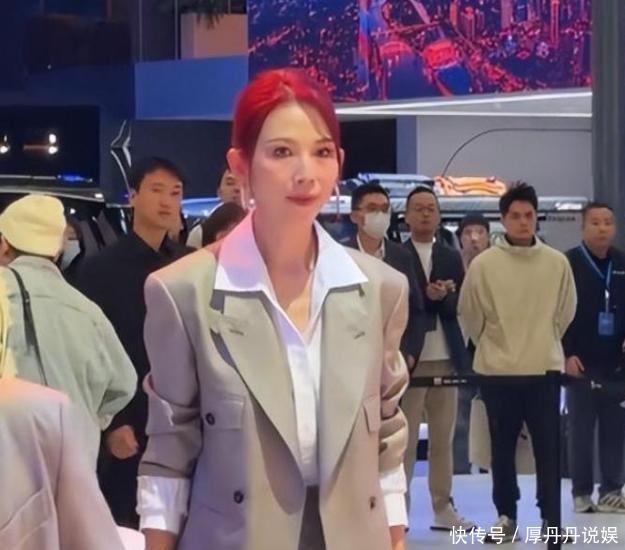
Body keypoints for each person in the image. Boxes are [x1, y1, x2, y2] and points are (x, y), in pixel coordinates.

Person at [137, 68, 410, 550]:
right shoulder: (183, 292)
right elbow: (169, 452)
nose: (306, 172)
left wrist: (395, 539)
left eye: (321, 152)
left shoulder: (380, 289)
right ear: (241, 166)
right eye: (282, 151)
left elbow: (386, 437)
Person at [76, 156, 192, 527]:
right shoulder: (100, 269)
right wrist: (113, 422)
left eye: (175, 193)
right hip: (130, 419)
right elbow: (90, 352)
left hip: (185, 415)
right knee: (126, 523)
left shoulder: (192, 265)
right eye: (156, 190)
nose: (167, 202)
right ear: (133, 196)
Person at [459, 183, 577, 542]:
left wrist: (545, 338)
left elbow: (566, 311)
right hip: (498, 371)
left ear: (536, 217)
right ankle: (506, 516)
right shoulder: (484, 265)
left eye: (529, 215)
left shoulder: (556, 262)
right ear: (503, 219)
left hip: (543, 370)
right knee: (501, 450)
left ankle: (551, 521)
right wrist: (493, 342)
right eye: (515, 216)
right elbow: (470, 314)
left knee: (548, 451)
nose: (523, 222)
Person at [0, 194, 136, 467]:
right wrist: (87, 418)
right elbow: (123, 384)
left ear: (4, 244)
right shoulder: (87, 311)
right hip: (72, 468)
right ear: (59, 248)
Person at [401, 185, 474, 531]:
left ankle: (443, 506)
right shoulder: (396, 255)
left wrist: (443, 297)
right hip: (409, 359)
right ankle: (398, 509)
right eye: (418, 208)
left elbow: (461, 303)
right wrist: (423, 296)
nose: (425, 213)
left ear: (439, 215)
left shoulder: (450, 256)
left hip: (446, 355)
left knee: (443, 439)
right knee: (404, 442)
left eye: (431, 208)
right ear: (406, 216)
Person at [562, 202, 625, 513]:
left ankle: (612, 489)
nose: (603, 228)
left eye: (608, 222)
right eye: (596, 222)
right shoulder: (568, 263)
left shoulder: (621, 262)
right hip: (580, 361)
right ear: (583, 228)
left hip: (616, 362)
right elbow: (557, 313)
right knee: (581, 430)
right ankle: (581, 491)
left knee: (615, 428)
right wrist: (566, 353)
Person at [347, 182, 426, 367]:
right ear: (354, 216)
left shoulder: (401, 256)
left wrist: (410, 353)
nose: (380, 215)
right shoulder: (340, 255)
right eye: (372, 209)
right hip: (351, 354)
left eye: (384, 209)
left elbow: (415, 308)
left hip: (393, 355)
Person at [453, 213, 491, 475]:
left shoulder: (497, 268)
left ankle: (492, 469)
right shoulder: (451, 268)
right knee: (460, 418)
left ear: (489, 237)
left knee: (493, 415)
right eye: (468, 233)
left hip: (492, 351)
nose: (474, 238)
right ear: (460, 238)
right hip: (460, 351)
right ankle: (460, 472)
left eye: (480, 232)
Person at [186, 168, 243, 248]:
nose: (237, 188)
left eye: (243, 183)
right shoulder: (201, 232)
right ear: (219, 192)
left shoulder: (260, 229)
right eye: (230, 183)